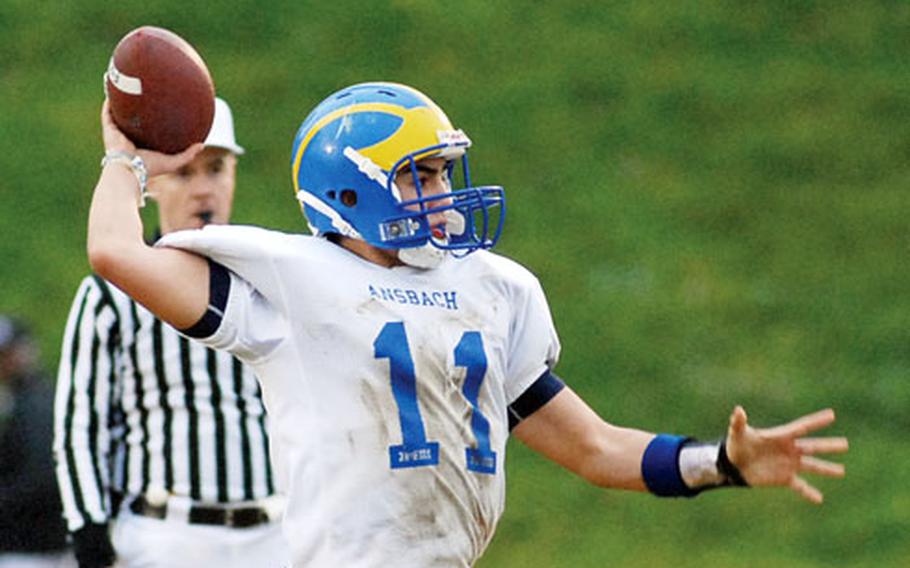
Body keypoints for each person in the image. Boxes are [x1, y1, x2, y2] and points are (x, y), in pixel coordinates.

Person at [84, 82, 848, 567]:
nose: (442, 191)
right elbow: (115, 252)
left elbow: (593, 446)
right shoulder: (292, 282)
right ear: (348, 193)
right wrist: (126, 159)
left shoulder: (488, 290)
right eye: (418, 173)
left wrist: (721, 462)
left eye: (443, 171)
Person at [54, 97, 289, 568]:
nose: (204, 190)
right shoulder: (111, 294)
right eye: (185, 173)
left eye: (217, 168)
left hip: (273, 531)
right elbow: (80, 425)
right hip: (167, 534)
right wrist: (89, 528)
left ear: (234, 173)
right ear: (154, 181)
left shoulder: (272, 282)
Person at [0, 316, 75, 568]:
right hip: (49, 544)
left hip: (33, 548)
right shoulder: (28, 399)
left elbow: (42, 477)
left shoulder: (36, 405)